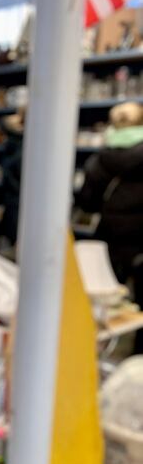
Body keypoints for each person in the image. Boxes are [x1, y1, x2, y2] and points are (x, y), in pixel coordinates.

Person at [78, 101, 143, 353]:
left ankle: (95, 354)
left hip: (109, 241)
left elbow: (87, 202)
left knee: (105, 303)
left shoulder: (100, 159)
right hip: (140, 243)